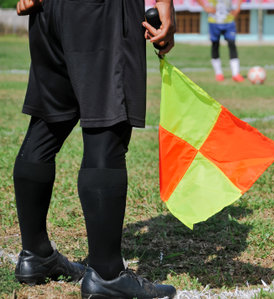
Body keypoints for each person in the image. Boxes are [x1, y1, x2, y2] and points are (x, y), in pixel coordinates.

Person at [13, 0, 176, 298]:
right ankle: (107, 274)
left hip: (49, 11)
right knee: (107, 128)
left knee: (47, 125)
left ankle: (35, 255)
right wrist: (165, 4)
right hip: (103, 12)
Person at [196, 0, 245, 82]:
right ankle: (218, 73)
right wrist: (205, 7)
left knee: (232, 44)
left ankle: (236, 74)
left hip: (229, 20)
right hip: (214, 21)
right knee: (215, 45)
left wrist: (238, 8)